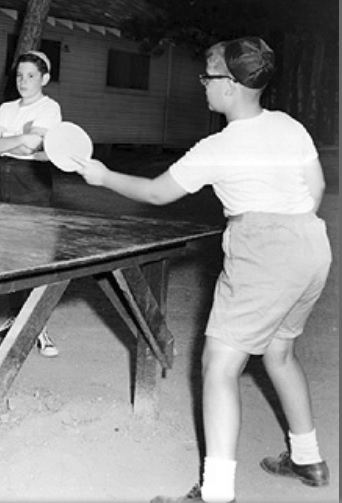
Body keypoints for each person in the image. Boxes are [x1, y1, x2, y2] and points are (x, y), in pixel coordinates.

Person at [73, 36, 331, 503]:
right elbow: (316, 189)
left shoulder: (220, 146)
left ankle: (215, 494)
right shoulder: (289, 126)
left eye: (208, 75)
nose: (203, 84)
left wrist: (102, 176)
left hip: (264, 250)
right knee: (279, 353)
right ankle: (308, 458)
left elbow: (156, 193)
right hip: (311, 244)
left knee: (218, 367)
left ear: (231, 85)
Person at [0, 50, 62, 357]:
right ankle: (14, 319)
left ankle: (36, 326)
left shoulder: (50, 108)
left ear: (44, 79)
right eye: (19, 75)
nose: (23, 81)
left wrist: (11, 140)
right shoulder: (6, 107)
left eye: (30, 76)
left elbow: (36, 147)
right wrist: (22, 138)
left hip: (33, 181)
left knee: (32, 255)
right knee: (3, 253)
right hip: (1, 178)